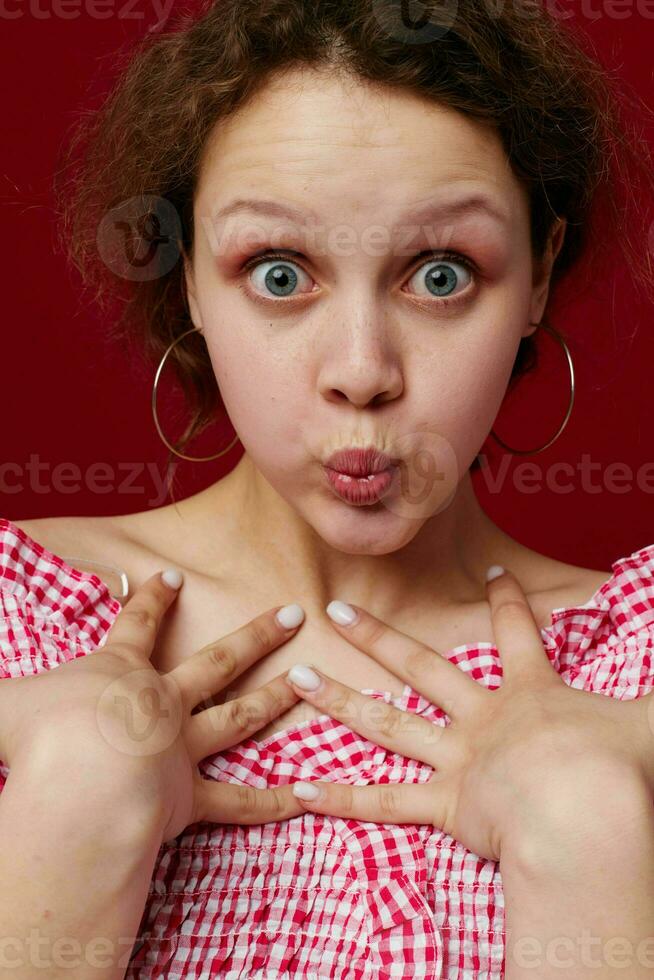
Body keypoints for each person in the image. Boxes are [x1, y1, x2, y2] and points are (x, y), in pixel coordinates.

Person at [1, 1, 654, 977]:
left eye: (440, 274)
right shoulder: (23, 632)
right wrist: (73, 807)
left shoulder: (633, 680)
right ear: (187, 280)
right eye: (277, 271)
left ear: (539, 272)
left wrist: (587, 826)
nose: (361, 369)